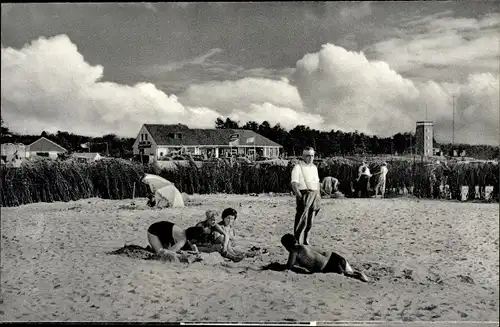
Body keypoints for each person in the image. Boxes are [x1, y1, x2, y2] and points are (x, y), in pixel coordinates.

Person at [279, 234, 369, 282]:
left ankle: (357, 275)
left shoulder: (294, 251)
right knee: (349, 272)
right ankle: (358, 273)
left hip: (328, 265)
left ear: (286, 246)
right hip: (335, 257)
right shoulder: (304, 246)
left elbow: (289, 267)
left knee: (347, 275)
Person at [291, 147, 321, 245]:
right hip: (304, 193)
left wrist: (318, 195)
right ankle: (297, 240)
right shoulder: (298, 167)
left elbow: (317, 182)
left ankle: (306, 240)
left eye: (312, 155)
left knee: (311, 220)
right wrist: (299, 196)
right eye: (308, 155)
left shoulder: (314, 167)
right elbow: (294, 184)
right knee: (301, 219)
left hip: (315, 194)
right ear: (303, 156)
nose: (310, 158)